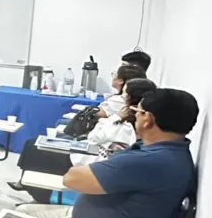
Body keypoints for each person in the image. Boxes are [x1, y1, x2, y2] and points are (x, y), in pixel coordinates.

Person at [0, 88, 198, 218]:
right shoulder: (168, 152)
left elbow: (72, 179)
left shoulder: (152, 161)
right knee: (21, 212)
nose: (134, 115)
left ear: (148, 119)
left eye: (138, 112)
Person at [11, 77, 156, 202]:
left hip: (91, 160)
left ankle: (40, 194)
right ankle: (31, 186)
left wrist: (115, 118)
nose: (122, 95)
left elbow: (96, 136)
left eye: (125, 92)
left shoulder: (126, 122)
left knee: (38, 150)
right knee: (37, 144)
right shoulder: (128, 118)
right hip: (90, 150)